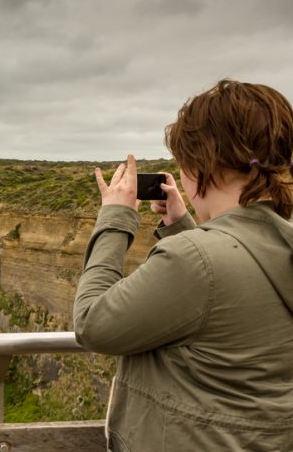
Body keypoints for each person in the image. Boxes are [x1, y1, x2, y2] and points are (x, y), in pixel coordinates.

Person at [73, 80, 293, 451]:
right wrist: (181, 226)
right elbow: (224, 292)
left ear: (200, 164)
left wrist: (115, 218)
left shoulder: (194, 259)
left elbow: (93, 324)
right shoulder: (279, 243)